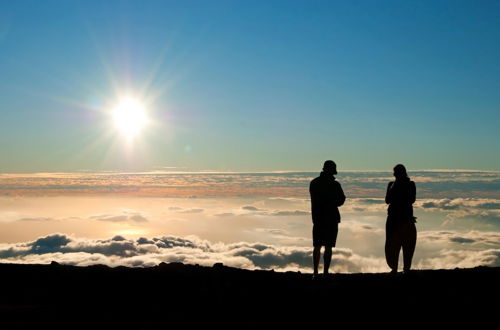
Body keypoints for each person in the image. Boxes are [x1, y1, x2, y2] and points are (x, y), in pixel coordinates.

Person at [309, 160, 345, 278]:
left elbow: (340, 199)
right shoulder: (334, 185)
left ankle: (317, 272)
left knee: (318, 246)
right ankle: (324, 273)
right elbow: (341, 200)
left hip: (319, 218)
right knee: (326, 246)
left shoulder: (314, 183)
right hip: (329, 218)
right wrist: (332, 201)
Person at [384, 164, 417, 274]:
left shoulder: (410, 184)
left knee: (407, 244)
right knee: (393, 244)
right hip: (397, 218)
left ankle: (404, 268)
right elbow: (387, 200)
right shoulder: (392, 184)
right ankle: (396, 268)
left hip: (403, 218)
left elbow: (411, 199)